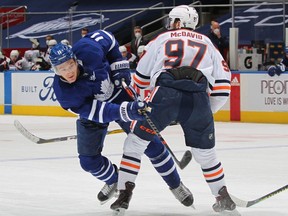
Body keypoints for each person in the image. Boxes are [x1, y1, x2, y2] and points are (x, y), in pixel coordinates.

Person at [111, 5, 240, 216]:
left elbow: (141, 80)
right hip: (198, 101)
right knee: (206, 155)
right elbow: (223, 88)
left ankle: (124, 195)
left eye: (172, 21)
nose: (170, 25)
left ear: (178, 22)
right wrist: (206, 112)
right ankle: (222, 197)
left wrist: (147, 105)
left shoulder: (160, 40)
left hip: (164, 96)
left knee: (134, 144)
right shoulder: (208, 43)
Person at [48, 30, 192, 208]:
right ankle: (115, 180)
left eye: (70, 65)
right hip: (96, 111)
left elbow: (107, 38)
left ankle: (176, 184)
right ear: (55, 70)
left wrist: (119, 65)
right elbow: (100, 112)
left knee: (152, 145)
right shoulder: (64, 93)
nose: (68, 72)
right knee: (88, 161)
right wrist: (128, 110)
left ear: (75, 59)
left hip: (119, 94)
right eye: (61, 69)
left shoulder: (87, 49)